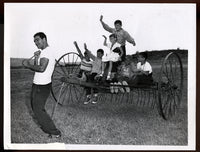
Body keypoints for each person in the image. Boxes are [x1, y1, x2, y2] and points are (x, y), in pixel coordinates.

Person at [22, 32, 61, 138]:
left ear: (44, 39)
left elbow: (42, 69)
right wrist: (36, 58)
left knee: (38, 109)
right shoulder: (43, 52)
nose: (36, 43)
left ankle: (54, 131)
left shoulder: (48, 52)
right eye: (34, 41)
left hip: (43, 85)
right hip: (37, 83)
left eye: (37, 40)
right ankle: (46, 127)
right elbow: (37, 67)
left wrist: (27, 65)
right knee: (34, 107)